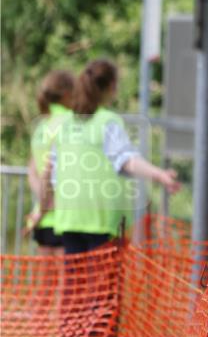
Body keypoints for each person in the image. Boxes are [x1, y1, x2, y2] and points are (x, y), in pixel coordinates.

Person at [47, 58, 181, 255]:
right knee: (102, 285)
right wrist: (159, 174)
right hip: (100, 219)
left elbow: (54, 172)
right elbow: (127, 160)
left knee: (75, 284)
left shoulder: (65, 124)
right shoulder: (107, 121)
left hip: (69, 217)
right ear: (111, 86)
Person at [23, 70, 75, 255]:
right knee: (68, 283)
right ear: (68, 94)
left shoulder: (41, 127)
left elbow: (33, 172)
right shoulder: (70, 122)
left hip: (42, 217)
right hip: (65, 217)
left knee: (46, 283)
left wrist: (41, 208)